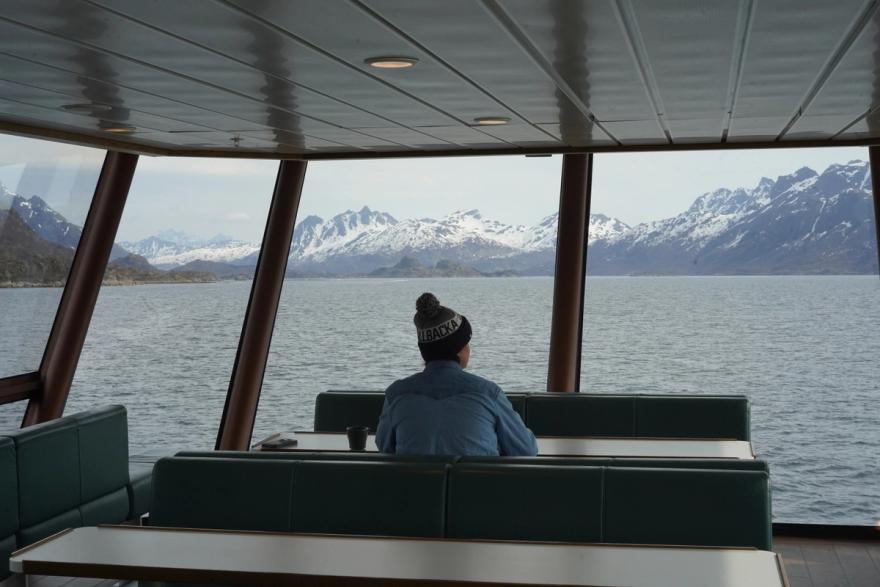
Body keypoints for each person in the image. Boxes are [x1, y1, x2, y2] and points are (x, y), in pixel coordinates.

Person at [376, 292, 538, 456]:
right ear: (459, 350)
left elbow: (384, 447)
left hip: (413, 481)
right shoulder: (488, 394)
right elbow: (526, 450)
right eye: (467, 344)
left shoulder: (396, 395)